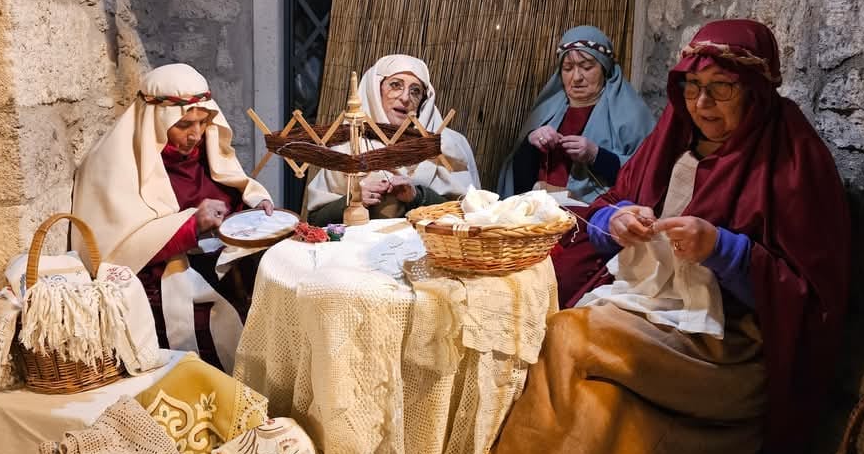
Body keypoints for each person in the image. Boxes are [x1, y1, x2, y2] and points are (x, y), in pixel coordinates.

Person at [398, 20, 851, 454]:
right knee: (590, 405)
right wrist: (614, 223)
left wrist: (725, 249)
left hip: (727, 342)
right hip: (654, 309)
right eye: (693, 87)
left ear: (757, 90)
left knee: (567, 337)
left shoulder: (790, 157)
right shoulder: (674, 137)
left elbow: (811, 296)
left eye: (722, 89)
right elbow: (608, 206)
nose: (703, 104)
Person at [71, 63, 274, 372]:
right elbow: (113, 253)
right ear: (156, 121)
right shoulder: (112, 164)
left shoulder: (205, 150)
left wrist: (253, 208)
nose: (196, 135)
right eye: (184, 125)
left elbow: (232, 192)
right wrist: (191, 225)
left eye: (203, 122)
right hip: (157, 279)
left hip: (216, 265)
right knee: (211, 326)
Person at [305, 54, 480, 225]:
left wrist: (417, 196)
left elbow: (470, 217)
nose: (405, 98)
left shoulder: (447, 143)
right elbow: (315, 220)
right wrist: (352, 200)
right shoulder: (347, 144)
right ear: (375, 90)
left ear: (423, 100)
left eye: (415, 91)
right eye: (395, 85)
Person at [497, 25, 654, 204]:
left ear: (604, 68)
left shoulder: (631, 115)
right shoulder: (546, 111)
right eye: (567, 68)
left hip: (596, 213)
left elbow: (647, 173)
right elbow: (517, 179)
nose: (576, 77)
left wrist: (596, 156)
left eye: (586, 67)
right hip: (539, 212)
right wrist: (531, 142)